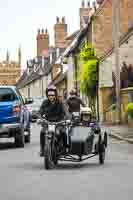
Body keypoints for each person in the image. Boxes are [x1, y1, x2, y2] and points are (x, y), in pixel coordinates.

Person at [39, 85, 68, 156]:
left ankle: (64, 149)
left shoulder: (60, 103)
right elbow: (39, 112)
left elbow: (66, 112)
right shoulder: (45, 103)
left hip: (59, 123)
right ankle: (42, 149)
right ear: (47, 95)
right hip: (48, 122)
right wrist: (39, 118)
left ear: (55, 95)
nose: (51, 96)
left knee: (63, 133)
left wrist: (66, 119)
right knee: (42, 132)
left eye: (52, 95)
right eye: (49, 95)